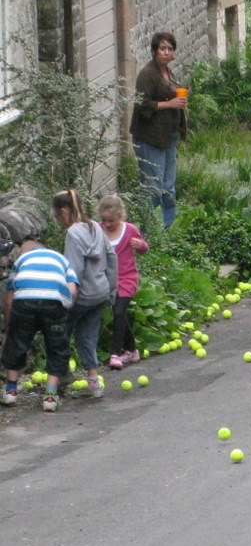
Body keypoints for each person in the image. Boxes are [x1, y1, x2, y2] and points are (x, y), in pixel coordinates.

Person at [53, 189, 117, 399]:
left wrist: (67, 301)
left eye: (56, 215)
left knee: (59, 333)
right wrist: (111, 290)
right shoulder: (96, 227)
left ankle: (61, 377)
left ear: (64, 211)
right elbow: (112, 256)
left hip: (82, 296)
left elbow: (74, 270)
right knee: (87, 337)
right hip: (100, 292)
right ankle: (94, 384)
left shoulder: (73, 233)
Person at [1, 240, 78, 411]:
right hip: (54, 303)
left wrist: (8, 323)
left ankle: (10, 391)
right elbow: (72, 290)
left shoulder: (21, 260)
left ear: (23, 253)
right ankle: (50, 396)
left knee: (17, 343)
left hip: (24, 301)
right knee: (57, 347)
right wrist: (64, 309)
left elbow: (9, 296)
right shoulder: (61, 259)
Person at [130, 31, 187, 229]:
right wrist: (170, 104)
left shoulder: (168, 72)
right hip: (150, 138)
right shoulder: (148, 74)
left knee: (168, 186)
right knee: (153, 187)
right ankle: (150, 229)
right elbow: (142, 104)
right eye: (162, 48)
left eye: (170, 49)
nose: (166, 52)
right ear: (154, 51)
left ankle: (167, 229)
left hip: (168, 136)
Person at [98, 195, 149, 370]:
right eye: (104, 220)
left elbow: (144, 249)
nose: (107, 224)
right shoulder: (98, 229)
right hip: (107, 279)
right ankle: (132, 350)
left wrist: (140, 245)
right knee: (120, 314)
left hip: (127, 278)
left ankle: (115, 353)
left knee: (118, 311)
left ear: (120, 215)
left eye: (111, 221)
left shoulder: (130, 229)